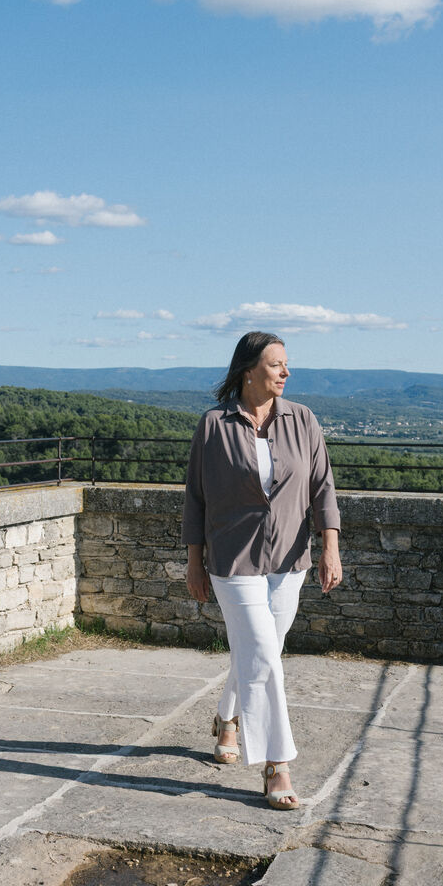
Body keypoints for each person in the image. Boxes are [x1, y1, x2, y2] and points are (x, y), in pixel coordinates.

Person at [182, 330, 343, 810]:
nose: (286, 372)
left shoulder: (302, 419)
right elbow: (195, 497)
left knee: (259, 651)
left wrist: (330, 547)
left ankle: (226, 719)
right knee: (265, 656)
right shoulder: (214, 425)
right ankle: (278, 764)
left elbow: (322, 487)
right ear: (248, 371)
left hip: (289, 560)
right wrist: (194, 560)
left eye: (286, 363)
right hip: (233, 559)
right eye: (276, 364)